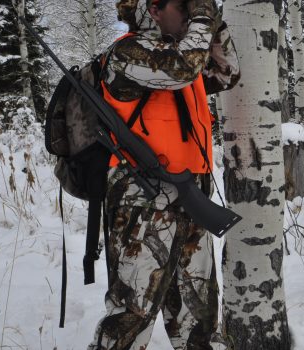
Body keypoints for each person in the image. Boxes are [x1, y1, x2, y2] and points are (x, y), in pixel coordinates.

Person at [87, 0, 239, 348]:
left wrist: (211, 20)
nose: (189, 13)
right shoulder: (129, 53)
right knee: (132, 313)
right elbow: (183, 67)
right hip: (142, 203)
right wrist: (200, 17)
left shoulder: (185, 56)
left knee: (198, 314)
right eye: (182, 5)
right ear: (153, 9)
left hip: (191, 196)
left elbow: (228, 70)